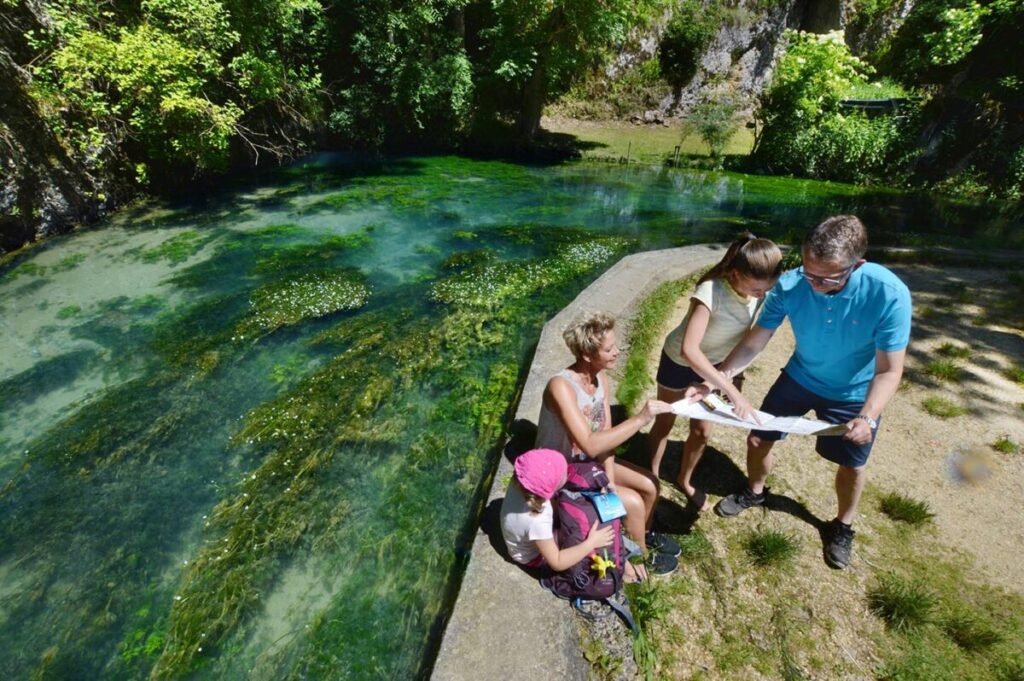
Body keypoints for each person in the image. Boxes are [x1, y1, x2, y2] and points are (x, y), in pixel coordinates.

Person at [710, 215, 911, 569]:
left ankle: (843, 526)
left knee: (851, 463)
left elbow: (889, 370)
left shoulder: (889, 294)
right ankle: (755, 492)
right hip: (800, 377)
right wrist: (722, 374)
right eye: (809, 272)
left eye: (828, 277)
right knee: (758, 440)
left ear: (857, 264)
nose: (815, 284)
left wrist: (868, 416)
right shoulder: (791, 285)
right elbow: (756, 339)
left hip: (854, 393)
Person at [536, 312, 680, 576]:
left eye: (615, 345)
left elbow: (607, 436)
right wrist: (640, 419)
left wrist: (609, 479)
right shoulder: (561, 387)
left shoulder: (600, 378)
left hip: (588, 466)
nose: (617, 352)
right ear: (587, 355)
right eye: (608, 349)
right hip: (562, 474)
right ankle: (636, 563)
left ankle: (641, 537)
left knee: (651, 485)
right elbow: (591, 444)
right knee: (633, 503)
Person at [647, 233, 783, 511]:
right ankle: (650, 477)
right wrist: (732, 391)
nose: (762, 295)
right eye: (757, 289)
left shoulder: (756, 294)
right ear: (735, 273)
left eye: (766, 289)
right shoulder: (710, 291)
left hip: (714, 369)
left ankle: (685, 479)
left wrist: (722, 377)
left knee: (702, 432)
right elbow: (689, 349)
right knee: (665, 420)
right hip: (679, 362)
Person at [500, 448, 616, 570]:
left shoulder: (520, 480)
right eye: (564, 473)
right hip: (534, 557)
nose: (567, 472)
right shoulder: (537, 520)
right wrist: (591, 543)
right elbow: (557, 562)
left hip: (525, 533)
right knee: (581, 533)